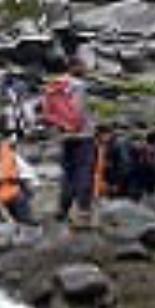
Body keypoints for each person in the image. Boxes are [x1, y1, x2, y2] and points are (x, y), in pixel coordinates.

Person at [42, 60, 98, 226]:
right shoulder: (79, 85)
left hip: (65, 137)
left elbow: (47, 112)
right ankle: (83, 211)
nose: (86, 68)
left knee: (68, 173)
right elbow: (79, 111)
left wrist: (63, 128)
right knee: (84, 171)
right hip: (82, 135)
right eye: (82, 65)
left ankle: (63, 209)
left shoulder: (55, 84)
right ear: (74, 67)